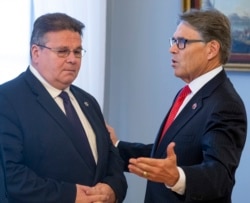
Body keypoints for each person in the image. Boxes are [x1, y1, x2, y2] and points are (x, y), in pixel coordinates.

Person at [108, 9, 247, 203]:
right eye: (173, 42)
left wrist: (177, 178)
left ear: (212, 49)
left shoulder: (225, 104)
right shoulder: (190, 93)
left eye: (182, 42)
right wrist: (115, 147)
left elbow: (220, 177)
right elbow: (169, 155)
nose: (172, 49)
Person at [0, 12, 127, 203]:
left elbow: (112, 159)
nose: (72, 59)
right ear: (36, 52)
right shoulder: (7, 99)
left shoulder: (88, 101)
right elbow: (10, 176)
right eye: (62, 51)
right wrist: (70, 195)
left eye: (77, 52)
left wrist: (111, 189)